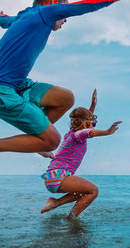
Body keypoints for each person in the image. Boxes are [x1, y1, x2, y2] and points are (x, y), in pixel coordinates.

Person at [0, 0, 130, 179]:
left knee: (65, 98)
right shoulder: (45, 13)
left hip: (17, 86)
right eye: (63, 14)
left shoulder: (24, 17)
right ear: (54, 1)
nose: (64, 20)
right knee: (53, 141)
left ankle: (37, 137)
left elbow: (6, 21)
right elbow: (87, 4)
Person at [40, 89, 120, 219]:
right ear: (85, 124)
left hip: (53, 177)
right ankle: (71, 219)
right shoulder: (79, 134)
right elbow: (88, 132)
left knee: (84, 192)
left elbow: (84, 123)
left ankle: (56, 203)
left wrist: (92, 106)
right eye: (93, 123)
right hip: (59, 175)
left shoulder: (71, 134)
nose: (93, 126)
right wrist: (107, 131)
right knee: (94, 191)